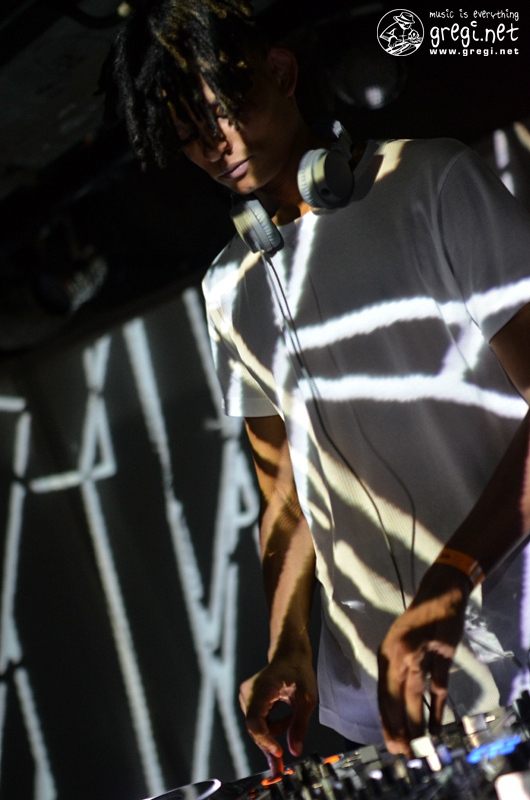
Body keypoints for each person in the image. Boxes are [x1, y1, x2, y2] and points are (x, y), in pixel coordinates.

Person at [102, 0, 530, 775]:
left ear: (280, 71)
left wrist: (451, 580)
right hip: (385, 697)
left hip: (516, 651)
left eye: (222, 110)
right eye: (188, 133)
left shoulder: (429, 181)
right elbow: (285, 495)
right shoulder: (230, 288)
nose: (215, 145)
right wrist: (289, 646)